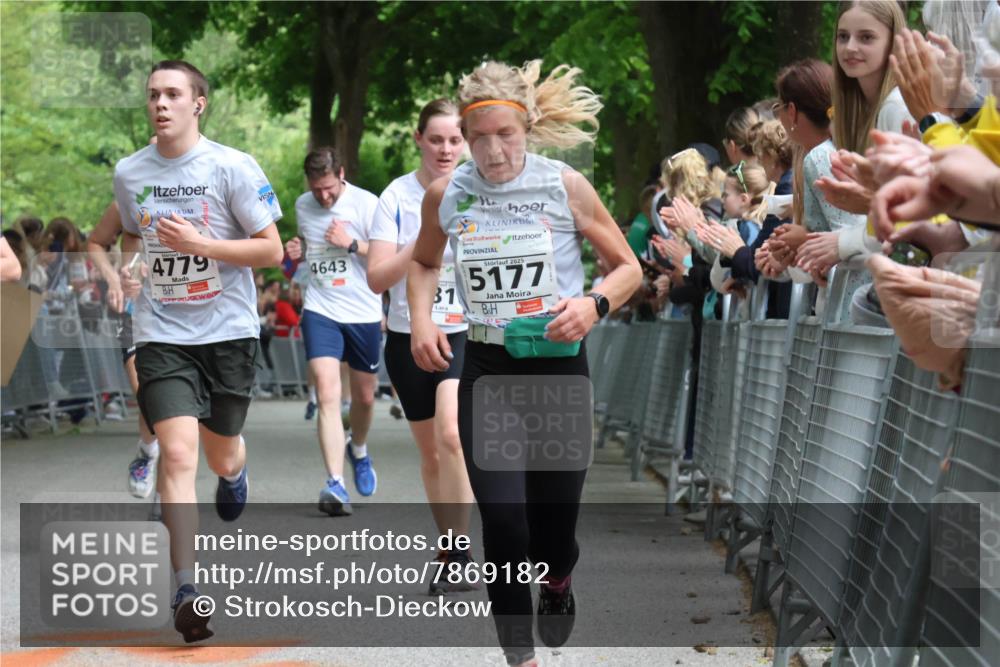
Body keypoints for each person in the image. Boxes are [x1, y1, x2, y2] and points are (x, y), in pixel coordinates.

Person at [408, 59, 641, 667]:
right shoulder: (449, 192)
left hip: (560, 368)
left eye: (503, 134)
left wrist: (593, 305)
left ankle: (559, 578)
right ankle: (519, 657)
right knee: (505, 523)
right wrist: (425, 318)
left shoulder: (564, 185)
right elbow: (424, 262)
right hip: (488, 370)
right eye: (475, 136)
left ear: (527, 126)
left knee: (552, 529)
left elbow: (628, 268)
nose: (490, 150)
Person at [116, 59, 283, 642]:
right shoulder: (130, 171)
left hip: (228, 333)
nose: (160, 104)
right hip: (161, 333)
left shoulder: (232, 166)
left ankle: (236, 472)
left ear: (198, 103)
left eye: (172, 94)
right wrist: (127, 271)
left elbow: (272, 251)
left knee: (219, 455)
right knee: (178, 454)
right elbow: (131, 235)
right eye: (153, 94)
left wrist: (200, 243)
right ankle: (186, 588)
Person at [367, 98, 479, 593]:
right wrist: (426, 239)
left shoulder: (482, 191)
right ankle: (450, 545)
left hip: (465, 331)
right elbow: (376, 278)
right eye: (436, 139)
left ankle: (461, 551)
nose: (446, 149)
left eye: (455, 140)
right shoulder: (395, 197)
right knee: (431, 453)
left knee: (452, 436)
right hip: (407, 337)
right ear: (419, 140)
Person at [283, 147, 381, 516]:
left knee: (366, 398)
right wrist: (295, 253)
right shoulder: (303, 205)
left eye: (329, 188)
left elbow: (389, 256)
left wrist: (351, 243)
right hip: (321, 308)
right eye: (316, 188)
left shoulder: (368, 204)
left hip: (363, 311)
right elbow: (306, 257)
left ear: (341, 174)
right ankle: (335, 484)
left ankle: (359, 449)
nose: (323, 196)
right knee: (327, 392)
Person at [86, 200, 160, 498]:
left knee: (176, 410)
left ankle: (166, 496)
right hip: (134, 311)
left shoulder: (201, 189)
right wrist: (114, 279)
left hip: (185, 311)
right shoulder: (129, 195)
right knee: (148, 395)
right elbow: (94, 243)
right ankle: (147, 453)